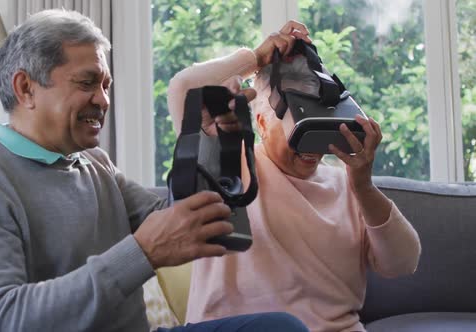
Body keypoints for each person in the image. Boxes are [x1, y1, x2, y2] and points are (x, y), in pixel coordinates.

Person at [0, 9, 309, 332]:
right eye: (87, 83)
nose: (103, 100)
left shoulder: (94, 163)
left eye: (107, 85)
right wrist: (140, 253)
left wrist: (215, 142)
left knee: (282, 327)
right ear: (26, 88)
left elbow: (196, 223)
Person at [167, 20, 421, 332]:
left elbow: (403, 263)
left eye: (321, 123)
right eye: (302, 127)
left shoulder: (349, 184)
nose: (312, 148)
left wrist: (364, 187)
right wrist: (256, 59)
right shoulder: (230, 165)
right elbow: (183, 89)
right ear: (261, 124)